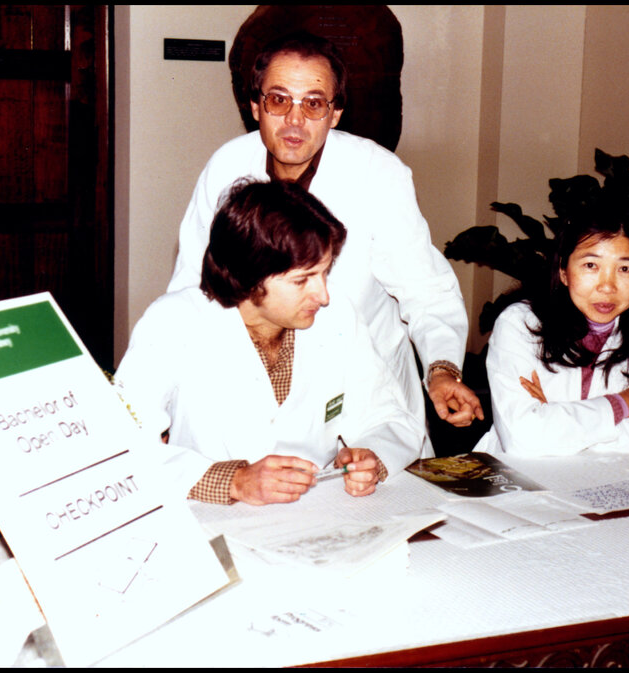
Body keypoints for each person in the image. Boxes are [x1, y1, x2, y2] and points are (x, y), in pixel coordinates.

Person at [167, 31, 483, 456]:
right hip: (253, 391)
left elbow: (426, 291)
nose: (295, 121)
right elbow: (192, 289)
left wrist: (442, 371)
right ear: (255, 105)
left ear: (334, 114)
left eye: (314, 103)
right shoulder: (226, 167)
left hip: (366, 400)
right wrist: (167, 404)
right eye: (279, 100)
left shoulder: (378, 174)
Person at [115, 180, 422, 505]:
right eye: (302, 280)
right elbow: (119, 445)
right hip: (210, 518)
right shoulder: (175, 321)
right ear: (250, 276)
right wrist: (234, 481)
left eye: (324, 273)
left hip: (318, 514)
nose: (323, 295)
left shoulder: (337, 318)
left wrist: (371, 456)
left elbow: (391, 417)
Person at [474, 212, 629, 456]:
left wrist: (562, 430)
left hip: (607, 478)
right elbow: (523, 438)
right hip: (518, 478)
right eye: (591, 265)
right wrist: (620, 405)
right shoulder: (520, 324)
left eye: (625, 268)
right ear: (564, 270)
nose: (607, 286)